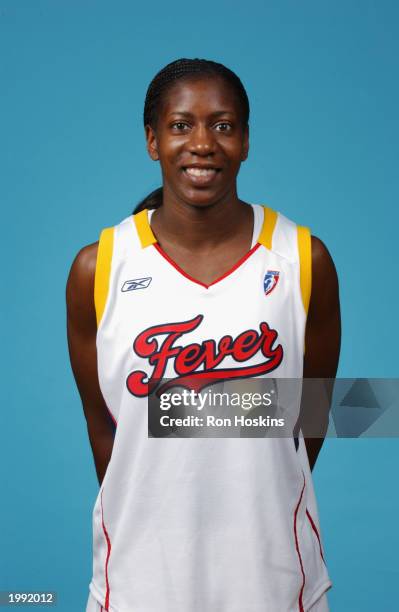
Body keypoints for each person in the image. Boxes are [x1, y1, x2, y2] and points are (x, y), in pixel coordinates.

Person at [66, 58, 341, 612]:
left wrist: (244, 467)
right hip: (141, 571)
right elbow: (105, 431)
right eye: (179, 125)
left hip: (270, 568)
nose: (202, 143)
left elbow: (317, 414)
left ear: (245, 141)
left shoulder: (303, 259)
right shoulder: (99, 269)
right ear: (151, 140)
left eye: (222, 125)